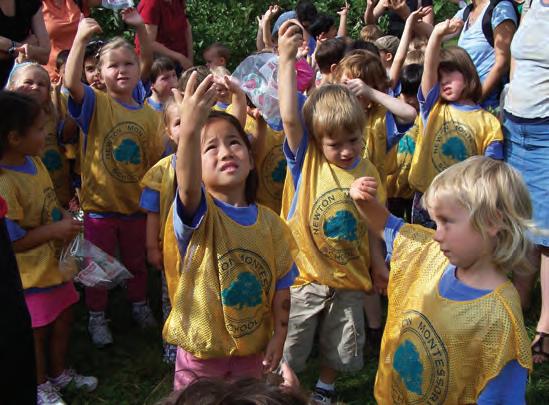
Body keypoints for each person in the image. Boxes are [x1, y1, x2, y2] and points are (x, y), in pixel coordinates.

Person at [350, 156, 532, 404]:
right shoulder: (431, 254)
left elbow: (501, 397)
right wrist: (361, 197)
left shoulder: (500, 319)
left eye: (446, 222)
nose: (437, 235)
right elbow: (386, 225)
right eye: (436, 223)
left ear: (492, 221)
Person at [161, 72, 298, 389]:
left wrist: (280, 334)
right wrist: (190, 129)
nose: (225, 152)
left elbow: (282, 285)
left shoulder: (272, 224)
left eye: (234, 142)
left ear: (251, 160)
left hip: (251, 351)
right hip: (201, 354)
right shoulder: (198, 215)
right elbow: (187, 185)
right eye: (210, 147)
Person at [277, 22, 385, 404]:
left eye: (353, 140)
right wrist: (286, 60)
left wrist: (378, 264)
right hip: (305, 274)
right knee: (292, 340)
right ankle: (283, 385)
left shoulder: (368, 170)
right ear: (317, 141)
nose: (346, 150)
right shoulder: (306, 161)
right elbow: (290, 118)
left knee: (342, 340)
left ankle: (325, 387)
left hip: (350, 276)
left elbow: (373, 225)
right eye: (335, 144)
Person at [64, 10, 163, 348]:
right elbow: (70, 83)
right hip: (99, 209)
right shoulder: (96, 104)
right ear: (100, 73)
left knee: (137, 263)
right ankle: (97, 316)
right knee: (96, 268)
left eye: (128, 64)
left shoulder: (151, 116)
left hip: (136, 208)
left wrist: (140, 29)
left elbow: (155, 163)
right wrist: (80, 39)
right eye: (113, 65)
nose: (121, 70)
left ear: (138, 69)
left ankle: (139, 305)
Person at [0, 90, 98, 405]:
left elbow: (48, 205)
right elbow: (12, 242)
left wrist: (65, 216)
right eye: (40, 129)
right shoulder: (4, 183)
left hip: (55, 266)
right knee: (37, 332)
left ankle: (59, 373)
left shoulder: (35, 163)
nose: (47, 134)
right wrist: (54, 230)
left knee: (64, 317)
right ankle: (39, 383)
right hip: (30, 276)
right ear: (15, 138)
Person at [408, 19, 504, 227]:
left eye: (450, 73)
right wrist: (436, 35)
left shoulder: (489, 123)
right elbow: (429, 68)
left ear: (467, 74)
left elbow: (490, 171)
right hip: (426, 200)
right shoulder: (432, 107)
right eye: (439, 76)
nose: (443, 81)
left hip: (463, 205)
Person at [502, 0, 549, 364]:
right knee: (522, 222)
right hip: (515, 127)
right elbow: (516, 59)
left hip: (546, 133)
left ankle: (545, 331)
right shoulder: (531, 4)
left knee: (547, 236)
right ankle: (519, 303)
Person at [7, 62, 72, 207]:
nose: (35, 87)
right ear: (12, 87)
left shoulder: (52, 114)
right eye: (28, 82)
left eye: (41, 84)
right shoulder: (8, 120)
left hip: (57, 185)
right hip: (22, 190)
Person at [453, 0, 519, 111]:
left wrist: (474, 102)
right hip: (466, 101)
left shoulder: (500, 9)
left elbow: (502, 63)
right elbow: (435, 33)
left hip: (489, 107)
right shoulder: (467, 11)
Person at [0, 0, 51, 87]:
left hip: (21, 84)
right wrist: (27, 47)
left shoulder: (29, 3)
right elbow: (38, 51)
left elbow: (44, 56)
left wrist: (8, 46)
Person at [136, 0, 193, 72]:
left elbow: (187, 29)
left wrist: (190, 61)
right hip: (157, 65)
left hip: (180, 61)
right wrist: (180, 57)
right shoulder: (151, 3)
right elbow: (148, 42)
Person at [364, 0, 434, 38]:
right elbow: (370, 23)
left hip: (412, 44)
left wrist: (406, 14)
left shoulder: (422, 1)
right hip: (389, 43)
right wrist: (370, 7)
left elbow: (428, 32)